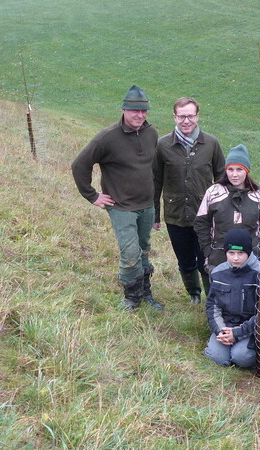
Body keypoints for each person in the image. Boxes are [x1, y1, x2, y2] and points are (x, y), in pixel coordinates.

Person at [71, 85, 163, 311]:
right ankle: (131, 297)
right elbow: (79, 164)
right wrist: (92, 196)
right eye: (134, 111)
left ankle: (144, 293)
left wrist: (155, 206)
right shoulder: (107, 137)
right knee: (130, 253)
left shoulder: (152, 133)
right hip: (121, 207)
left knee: (143, 248)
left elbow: (153, 170)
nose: (139, 115)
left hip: (147, 205)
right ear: (123, 109)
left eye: (144, 111)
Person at [153, 97, 225, 304]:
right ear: (175, 117)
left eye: (190, 116)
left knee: (207, 260)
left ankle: (212, 300)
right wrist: (155, 215)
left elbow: (222, 179)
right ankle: (194, 293)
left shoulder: (211, 143)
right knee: (185, 261)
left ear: (197, 116)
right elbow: (155, 181)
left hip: (205, 216)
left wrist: (223, 213)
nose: (186, 121)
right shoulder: (162, 145)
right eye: (182, 116)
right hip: (176, 216)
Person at [194, 144, 260, 272]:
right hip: (219, 259)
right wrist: (208, 250)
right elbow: (201, 223)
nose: (234, 175)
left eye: (239, 169)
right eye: (230, 169)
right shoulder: (213, 193)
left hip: (251, 261)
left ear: (247, 171)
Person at [204, 229, 260, 368]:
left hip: (249, 329)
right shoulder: (218, 273)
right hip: (226, 326)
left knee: (242, 358)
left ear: (249, 252)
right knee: (216, 357)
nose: (235, 258)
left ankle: (243, 352)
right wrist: (221, 330)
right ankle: (221, 346)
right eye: (231, 253)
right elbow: (212, 305)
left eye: (240, 253)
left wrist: (237, 333)